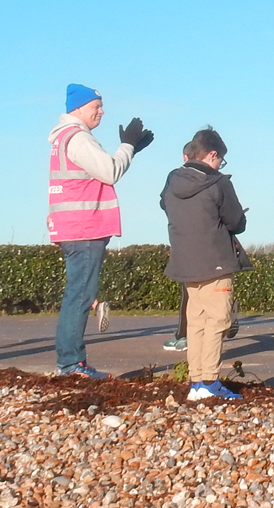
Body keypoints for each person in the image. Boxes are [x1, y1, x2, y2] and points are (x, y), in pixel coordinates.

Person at [48, 83, 153, 378]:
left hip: (73, 228)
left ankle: (69, 362)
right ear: (78, 109)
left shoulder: (63, 138)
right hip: (85, 229)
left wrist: (132, 149)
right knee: (81, 295)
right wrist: (128, 145)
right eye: (96, 106)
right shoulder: (78, 138)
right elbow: (109, 171)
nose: (101, 111)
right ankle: (70, 363)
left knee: (78, 294)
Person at [160, 127, 252, 401]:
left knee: (195, 323)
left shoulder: (172, 181)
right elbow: (237, 222)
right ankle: (210, 382)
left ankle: (196, 381)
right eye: (220, 160)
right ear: (212, 155)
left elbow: (165, 206)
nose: (220, 165)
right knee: (217, 322)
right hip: (216, 262)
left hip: (186, 261)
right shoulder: (218, 182)